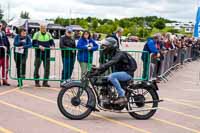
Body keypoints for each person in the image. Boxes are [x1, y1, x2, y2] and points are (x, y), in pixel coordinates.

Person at [93, 37, 137, 104]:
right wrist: (96, 72)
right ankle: (107, 96)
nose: (103, 47)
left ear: (110, 46)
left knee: (112, 76)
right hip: (122, 73)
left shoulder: (119, 53)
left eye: (105, 46)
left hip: (128, 73)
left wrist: (101, 66)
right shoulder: (113, 54)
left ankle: (122, 96)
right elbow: (107, 67)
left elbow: (113, 62)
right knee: (105, 79)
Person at [0, 22, 10, 86]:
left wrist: (8, 50)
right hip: (0, 53)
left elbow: (7, 42)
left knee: (5, 67)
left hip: (5, 53)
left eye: (0, 26)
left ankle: (4, 80)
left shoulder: (3, 33)